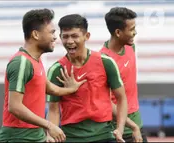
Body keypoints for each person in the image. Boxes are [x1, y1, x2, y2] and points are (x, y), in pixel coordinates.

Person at [0, 9, 86, 142]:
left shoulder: (36, 61)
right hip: (19, 137)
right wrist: (49, 125)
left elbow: (51, 89)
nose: (55, 37)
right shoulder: (21, 62)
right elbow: (14, 106)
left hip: (34, 136)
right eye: (51, 32)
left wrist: (71, 89)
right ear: (36, 34)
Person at [46, 14, 129, 142]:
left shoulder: (106, 62)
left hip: (105, 136)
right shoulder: (56, 69)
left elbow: (121, 98)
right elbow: (53, 109)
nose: (69, 41)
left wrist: (120, 128)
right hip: (72, 137)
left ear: (86, 36)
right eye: (65, 36)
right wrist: (50, 134)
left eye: (74, 36)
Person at [100, 7, 148, 142]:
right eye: (131, 29)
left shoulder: (130, 46)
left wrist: (135, 126)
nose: (135, 32)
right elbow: (106, 103)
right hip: (117, 131)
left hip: (137, 124)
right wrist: (131, 126)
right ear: (118, 32)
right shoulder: (103, 61)